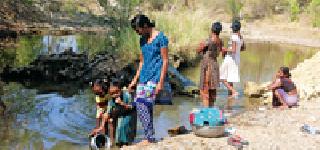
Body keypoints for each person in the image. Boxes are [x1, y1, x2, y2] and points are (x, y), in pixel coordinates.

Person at [129, 14, 169, 145]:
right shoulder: (142, 40)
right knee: (146, 105)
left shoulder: (161, 38)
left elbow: (165, 60)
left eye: (138, 30)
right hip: (144, 77)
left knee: (140, 103)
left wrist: (161, 82)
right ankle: (150, 136)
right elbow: (142, 62)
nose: (137, 32)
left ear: (145, 26)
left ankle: (149, 136)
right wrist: (134, 80)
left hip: (155, 77)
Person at [91, 80, 134, 146]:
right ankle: (111, 141)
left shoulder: (127, 95)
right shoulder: (111, 100)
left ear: (120, 90)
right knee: (111, 121)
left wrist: (122, 103)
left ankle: (126, 142)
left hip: (129, 113)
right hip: (119, 111)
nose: (114, 95)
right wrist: (100, 127)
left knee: (124, 127)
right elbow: (107, 113)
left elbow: (132, 107)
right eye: (112, 94)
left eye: (116, 92)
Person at [197, 22, 223, 107]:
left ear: (212, 30)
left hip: (207, 66)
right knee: (212, 90)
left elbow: (198, 50)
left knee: (205, 90)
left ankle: (206, 113)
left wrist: (200, 46)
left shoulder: (209, 40)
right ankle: (211, 111)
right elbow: (218, 53)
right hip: (215, 64)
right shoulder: (220, 41)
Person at [220, 20, 244, 98]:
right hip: (236, 59)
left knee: (221, 77)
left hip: (230, 58)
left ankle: (233, 91)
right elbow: (243, 48)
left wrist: (224, 49)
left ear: (233, 28)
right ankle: (230, 94)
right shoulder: (240, 37)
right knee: (230, 78)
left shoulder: (234, 36)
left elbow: (233, 50)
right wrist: (237, 50)